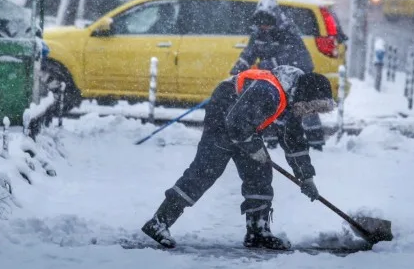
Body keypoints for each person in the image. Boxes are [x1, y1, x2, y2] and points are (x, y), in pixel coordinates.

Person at [141, 65, 335, 250]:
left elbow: (293, 141)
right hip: (222, 118)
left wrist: (306, 177)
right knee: (205, 171)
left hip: (244, 128)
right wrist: (253, 147)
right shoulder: (268, 90)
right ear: (304, 96)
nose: (311, 113)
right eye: (311, 108)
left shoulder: (290, 101)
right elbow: (236, 121)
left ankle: (258, 232)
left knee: (259, 173)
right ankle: (159, 222)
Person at [230, 0, 326, 151]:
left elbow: (294, 58)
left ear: (274, 18)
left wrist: (266, 65)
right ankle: (271, 143)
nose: (264, 26)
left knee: (303, 107)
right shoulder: (258, 34)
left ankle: (316, 144)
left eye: (267, 21)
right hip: (273, 77)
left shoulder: (288, 32)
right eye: (260, 22)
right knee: (266, 104)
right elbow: (249, 53)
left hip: (297, 74)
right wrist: (239, 68)